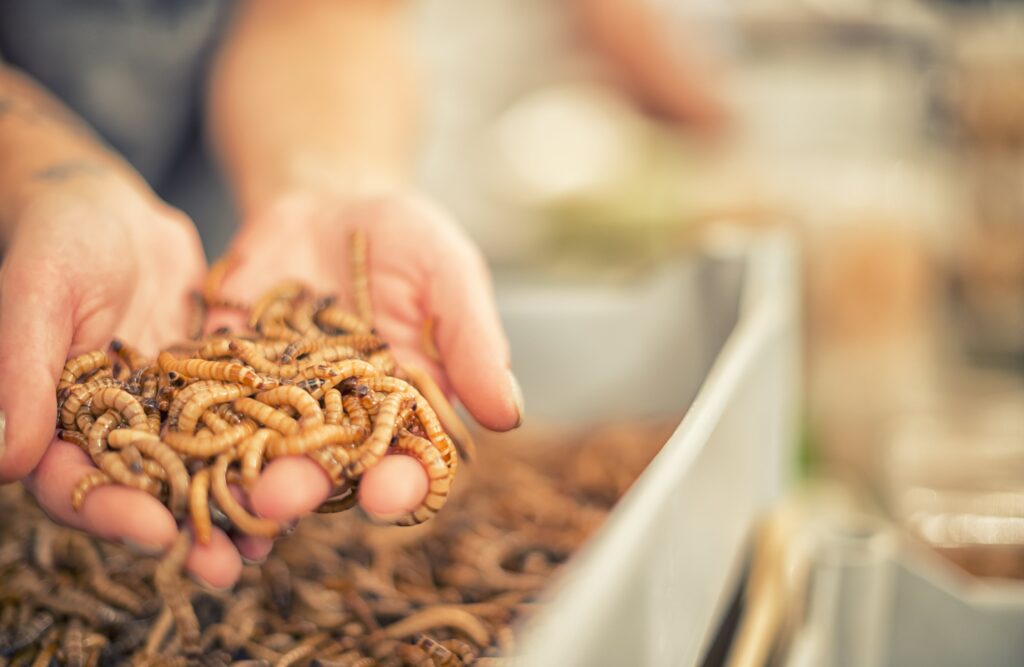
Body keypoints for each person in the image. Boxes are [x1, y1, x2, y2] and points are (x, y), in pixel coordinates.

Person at [0, 0, 723, 588]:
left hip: (206, 266)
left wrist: (333, 179)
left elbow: (328, 12)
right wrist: (39, 177)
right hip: (70, 274)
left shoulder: (301, 357)